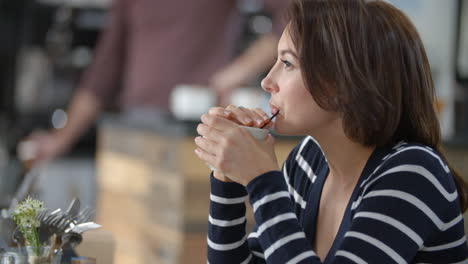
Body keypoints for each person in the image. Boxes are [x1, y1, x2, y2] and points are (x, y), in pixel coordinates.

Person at [194, 0, 468, 263]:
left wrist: (262, 179)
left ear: (342, 83)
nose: (267, 81)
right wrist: (227, 179)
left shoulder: (413, 174)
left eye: (287, 64)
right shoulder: (308, 160)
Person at [21, 0, 289, 166]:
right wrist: (61, 139)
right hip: (134, 129)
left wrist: (239, 70)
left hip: (194, 132)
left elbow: (292, 13)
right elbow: (103, 72)